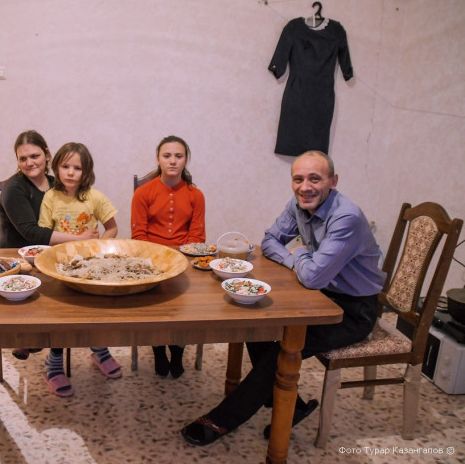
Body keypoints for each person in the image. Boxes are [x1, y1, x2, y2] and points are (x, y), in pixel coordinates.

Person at [181, 150, 386, 445]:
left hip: (353, 311)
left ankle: (222, 420)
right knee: (257, 323)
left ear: (333, 181)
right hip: (320, 294)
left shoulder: (346, 217)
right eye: (298, 179)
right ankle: (291, 404)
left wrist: (300, 253)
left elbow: (313, 277)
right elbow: (269, 241)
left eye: (315, 179)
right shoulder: (298, 203)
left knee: (283, 350)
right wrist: (300, 261)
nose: (305, 187)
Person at [0, 130, 99, 360]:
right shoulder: (14, 188)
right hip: (20, 259)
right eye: (23, 158)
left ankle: (91, 340)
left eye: (34, 156)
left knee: (87, 281)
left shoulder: (57, 184)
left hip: (53, 254)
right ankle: (38, 338)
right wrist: (80, 238)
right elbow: (31, 233)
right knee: (60, 291)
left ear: (47, 154)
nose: (29, 163)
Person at [37, 142, 122, 396]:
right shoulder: (50, 198)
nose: (71, 173)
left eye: (77, 168)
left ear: (86, 172)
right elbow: (44, 235)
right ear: (56, 168)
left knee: (96, 309)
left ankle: (99, 349)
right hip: (60, 267)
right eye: (65, 166)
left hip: (90, 267)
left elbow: (112, 228)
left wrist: (100, 247)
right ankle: (53, 362)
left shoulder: (95, 197)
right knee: (59, 314)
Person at [131, 135, 205, 378]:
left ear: (186, 160)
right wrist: (158, 262)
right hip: (151, 263)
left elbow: (197, 236)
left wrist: (180, 260)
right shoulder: (143, 193)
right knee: (155, 307)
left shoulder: (196, 195)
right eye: (167, 156)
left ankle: (178, 350)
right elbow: (139, 235)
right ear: (158, 159)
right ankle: (158, 350)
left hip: (185, 261)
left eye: (178, 156)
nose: (172, 161)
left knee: (186, 307)